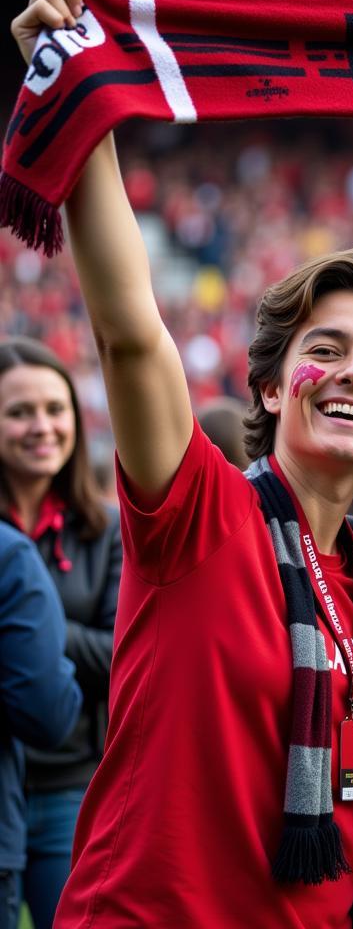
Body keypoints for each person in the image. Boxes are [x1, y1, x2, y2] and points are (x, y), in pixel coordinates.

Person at [12, 0, 353, 929]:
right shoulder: (199, 509)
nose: (352, 371)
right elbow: (130, 331)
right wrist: (80, 89)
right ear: (267, 381)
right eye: (324, 348)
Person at [0, 337, 122, 929]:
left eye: (55, 409)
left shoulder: (109, 530)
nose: (41, 426)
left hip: (74, 786)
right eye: (20, 412)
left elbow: (125, 649)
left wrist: (28, 628)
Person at [0, 522, 82, 929]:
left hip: (70, 780)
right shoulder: (10, 555)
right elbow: (48, 707)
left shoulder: (102, 534)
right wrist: (44, 651)